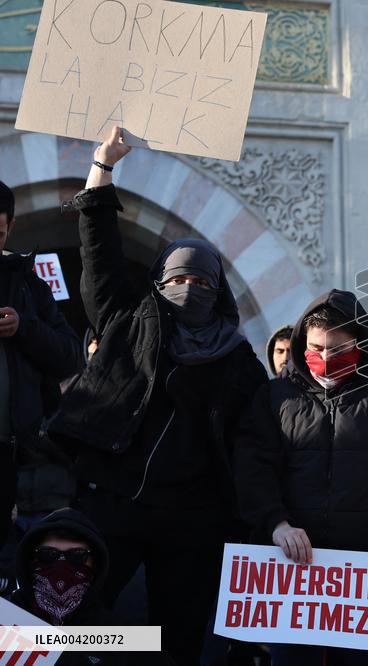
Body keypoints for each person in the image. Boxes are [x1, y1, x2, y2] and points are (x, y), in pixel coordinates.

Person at [48, 127, 268, 665]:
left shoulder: (238, 360)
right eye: (178, 278)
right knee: (73, 625)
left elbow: (257, 437)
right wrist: (103, 167)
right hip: (114, 502)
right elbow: (98, 253)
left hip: (194, 521)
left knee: (177, 641)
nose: (189, 288)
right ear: (159, 281)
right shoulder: (129, 321)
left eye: (202, 282)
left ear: (218, 293)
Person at [235, 290, 368, 666]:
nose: (325, 360)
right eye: (316, 348)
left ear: (360, 343)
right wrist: (276, 523)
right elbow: (253, 465)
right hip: (292, 573)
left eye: (338, 350)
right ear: (301, 343)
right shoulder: (274, 396)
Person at [0, 181, 81, 547]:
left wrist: (24, 327)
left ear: (10, 227)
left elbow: (68, 354)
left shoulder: (27, 284)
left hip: (8, 453)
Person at [6, 508, 169, 665]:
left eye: (77, 556)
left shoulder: (131, 640)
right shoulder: (5, 624)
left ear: (95, 565)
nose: (61, 566)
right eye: (47, 555)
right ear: (30, 562)